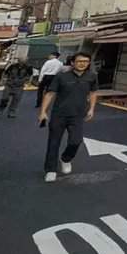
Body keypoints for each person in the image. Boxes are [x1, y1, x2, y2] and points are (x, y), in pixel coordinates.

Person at [39, 52, 98, 183]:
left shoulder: (91, 76)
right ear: (72, 63)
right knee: (54, 142)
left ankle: (65, 159)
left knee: (76, 141)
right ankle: (50, 170)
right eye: (79, 61)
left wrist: (91, 108)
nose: (82, 64)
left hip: (78, 114)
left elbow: (93, 92)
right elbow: (50, 93)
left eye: (86, 61)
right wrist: (43, 112)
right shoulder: (61, 76)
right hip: (59, 114)